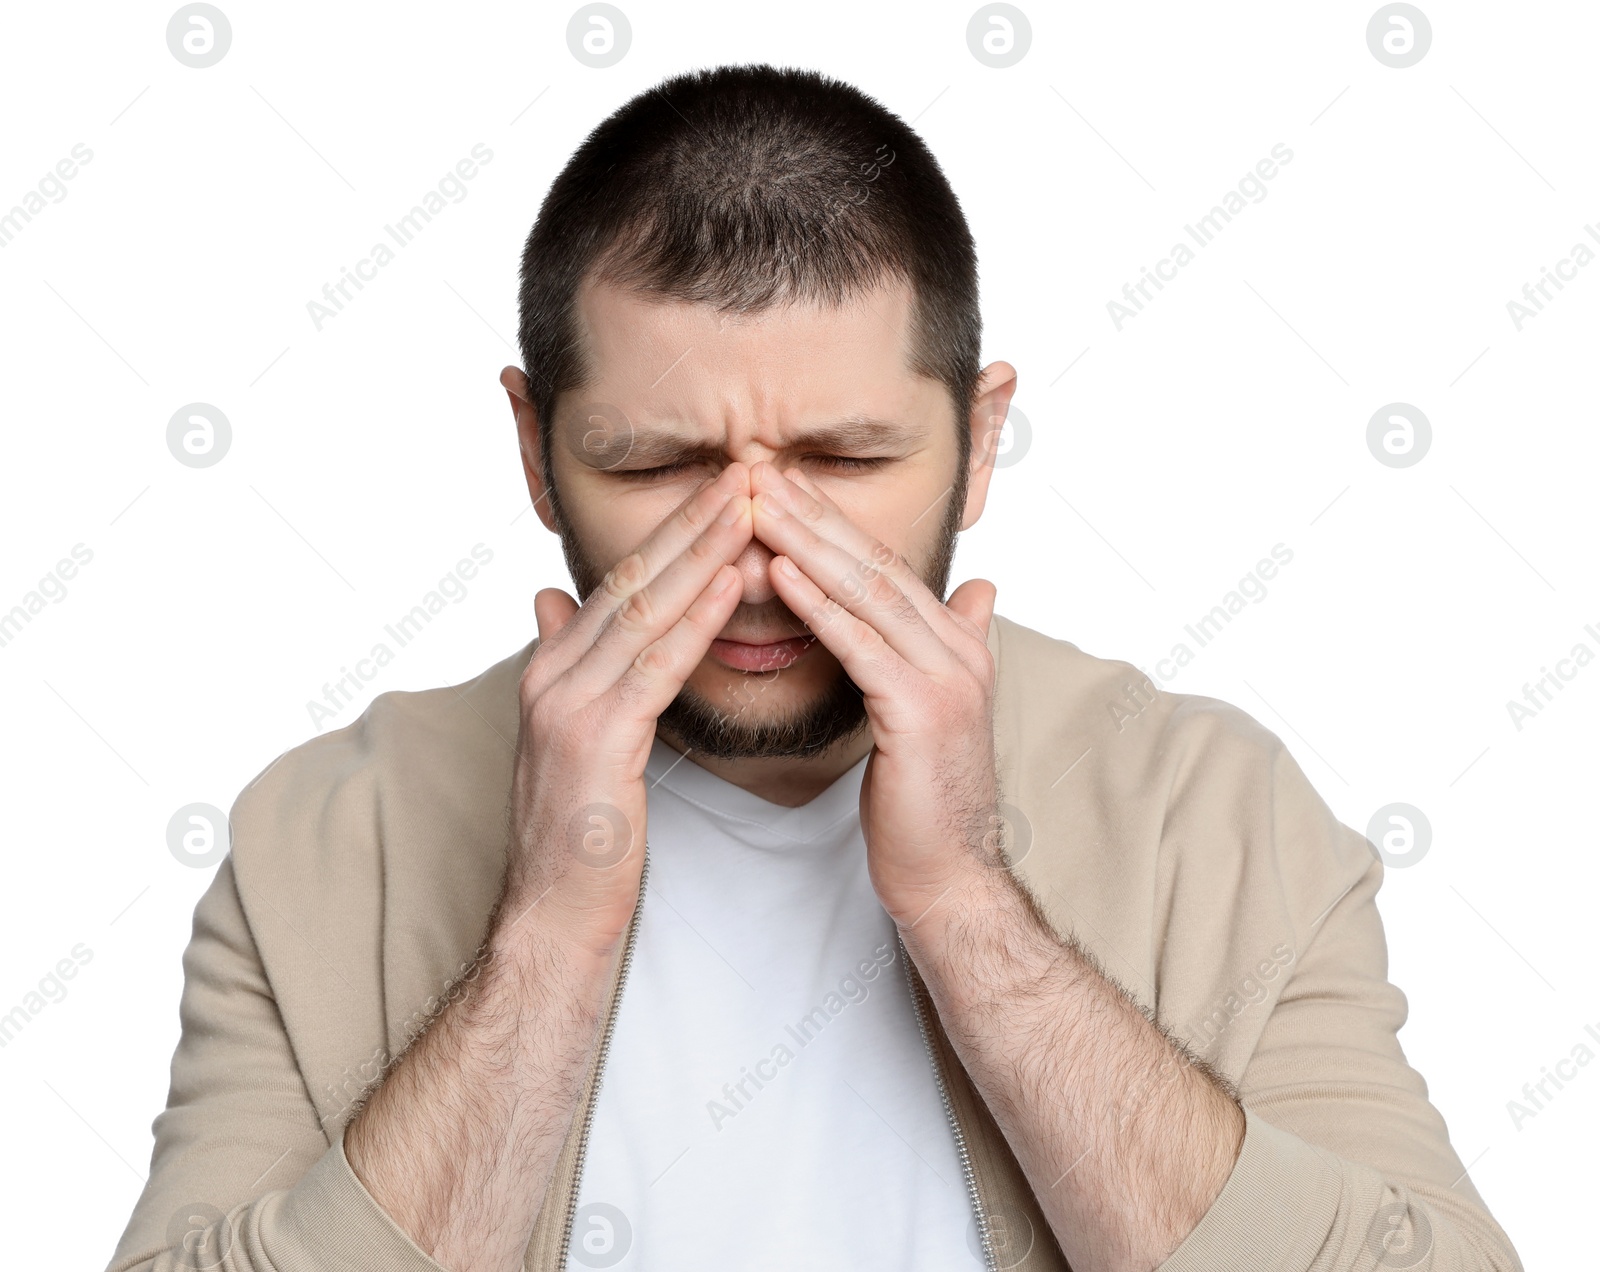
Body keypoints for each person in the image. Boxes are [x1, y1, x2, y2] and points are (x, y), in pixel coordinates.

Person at [108, 63, 1522, 1272]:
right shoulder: (318, 836)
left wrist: (967, 903)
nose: (761, 551)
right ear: (537, 453)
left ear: (979, 438)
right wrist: (547, 928)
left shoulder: (1213, 810)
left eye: (847, 461)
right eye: (657, 463)